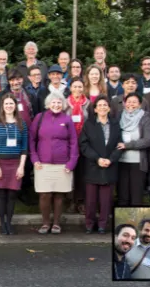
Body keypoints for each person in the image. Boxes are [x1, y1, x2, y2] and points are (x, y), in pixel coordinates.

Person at [29, 93, 78, 235]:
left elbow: (74, 142)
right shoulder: (40, 118)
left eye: (59, 103)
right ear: (48, 104)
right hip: (42, 164)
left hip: (63, 164)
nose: (56, 105)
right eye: (53, 102)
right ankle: (45, 223)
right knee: (44, 195)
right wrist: (34, 158)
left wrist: (71, 163)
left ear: (63, 105)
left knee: (59, 195)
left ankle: (56, 223)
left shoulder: (67, 119)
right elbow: (31, 140)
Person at [78, 96, 122, 234]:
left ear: (109, 108)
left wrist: (111, 159)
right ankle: (89, 224)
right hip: (93, 166)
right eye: (99, 105)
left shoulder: (115, 124)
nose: (102, 107)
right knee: (90, 200)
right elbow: (83, 145)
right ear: (95, 109)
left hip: (110, 166)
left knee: (106, 200)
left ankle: (103, 224)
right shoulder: (89, 124)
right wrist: (97, 159)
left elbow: (119, 145)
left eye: (105, 105)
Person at [0, 93, 28, 235]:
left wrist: (21, 166)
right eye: (6, 104)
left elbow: (24, 147)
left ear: (15, 106)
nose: (9, 106)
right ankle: (2, 223)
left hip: (16, 163)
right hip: (0, 163)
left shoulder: (21, 123)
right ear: (2, 106)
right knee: (1, 194)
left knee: (12, 195)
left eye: (11, 104)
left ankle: (9, 223)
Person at [116, 93, 150, 206]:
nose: (131, 104)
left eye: (134, 102)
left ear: (140, 104)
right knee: (122, 195)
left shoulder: (144, 117)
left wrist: (128, 145)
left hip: (137, 162)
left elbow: (148, 140)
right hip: (121, 161)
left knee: (136, 195)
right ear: (124, 103)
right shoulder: (119, 116)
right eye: (129, 101)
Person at [65, 77, 90, 214]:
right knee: (69, 172)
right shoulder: (65, 104)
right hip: (68, 143)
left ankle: (81, 201)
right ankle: (70, 201)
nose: (77, 89)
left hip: (84, 142)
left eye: (80, 87)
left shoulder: (88, 104)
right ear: (70, 88)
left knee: (81, 173)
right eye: (75, 86)